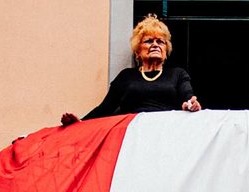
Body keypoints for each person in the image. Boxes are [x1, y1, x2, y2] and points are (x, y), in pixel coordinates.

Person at [60, 15, 201, 126]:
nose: (155, 45)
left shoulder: (177, 74)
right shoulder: (126, 76)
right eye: (149, 41)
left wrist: (190, 104)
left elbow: (187, 97)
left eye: (160, 41)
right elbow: (105, 109)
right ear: (137, 52)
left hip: (165, 132)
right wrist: (79, 123)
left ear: (166, 50)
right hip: (133, 138)